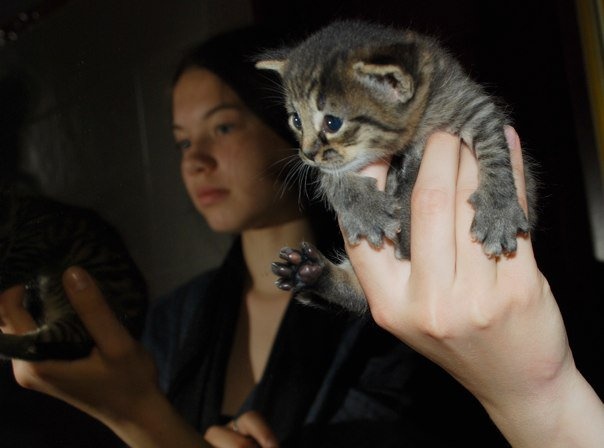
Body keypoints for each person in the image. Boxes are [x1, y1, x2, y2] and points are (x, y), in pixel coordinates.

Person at [0, 26, 601, 448]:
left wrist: (136, 413)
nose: (195, 160)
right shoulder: (174, 318)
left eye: (223, 127)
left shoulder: (410, 300)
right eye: (182, 141)